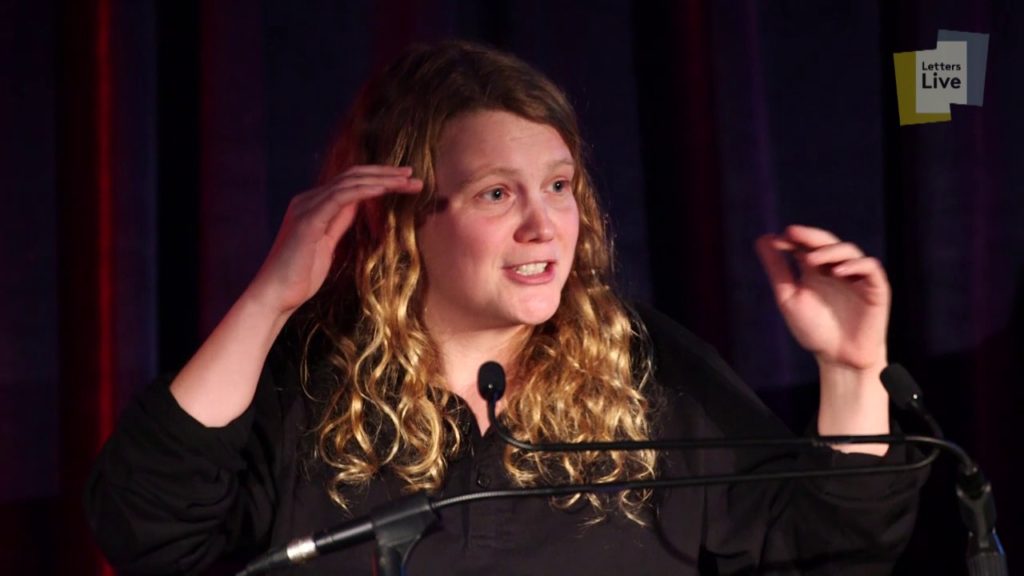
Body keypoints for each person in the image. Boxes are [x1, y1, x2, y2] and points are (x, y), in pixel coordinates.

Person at [86, 41, 924, 575]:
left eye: (558, 186)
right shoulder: (306, 379)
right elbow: (150, 529)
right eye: (496, 192)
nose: (544, 224)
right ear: (401, 217)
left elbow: (830, 544)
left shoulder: (642, 368)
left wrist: (849, 371)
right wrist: (270, 298)